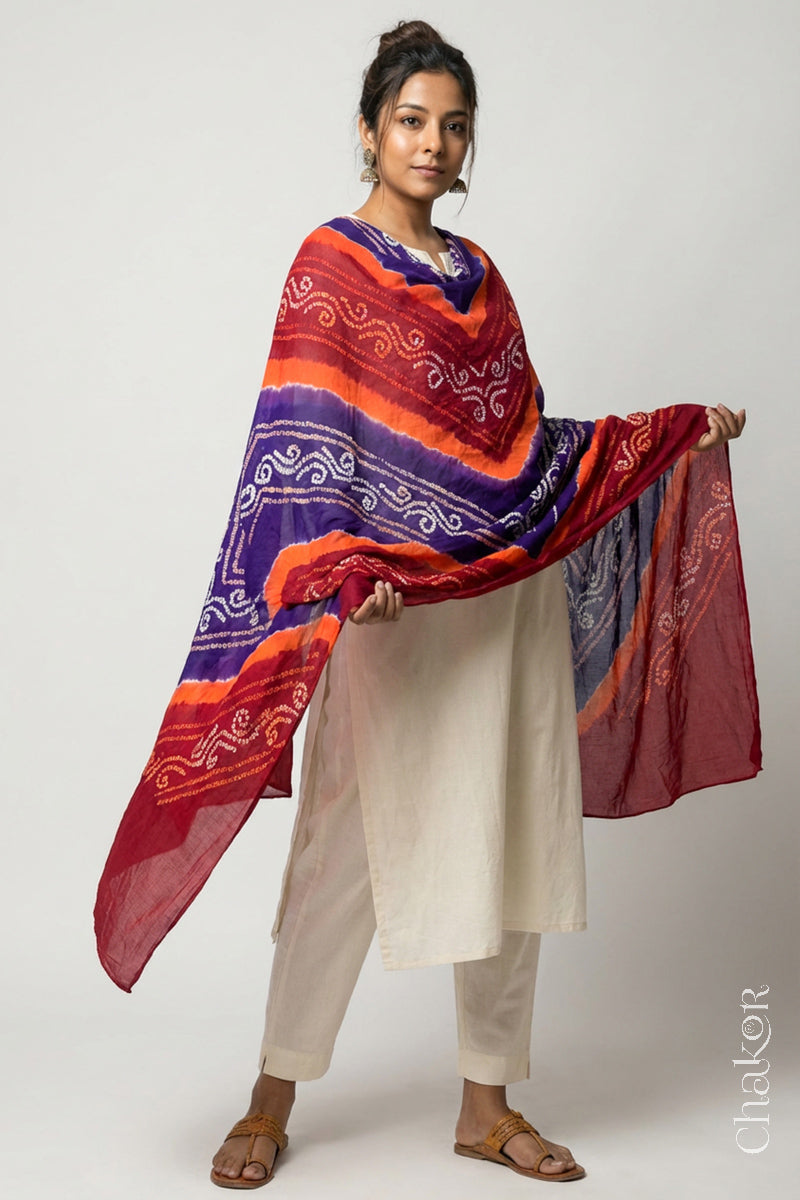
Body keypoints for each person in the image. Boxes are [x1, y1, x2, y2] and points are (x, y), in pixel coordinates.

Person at [197, 19, 749, 1189]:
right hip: (392, 608)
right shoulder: (328, 268)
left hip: (503, 596)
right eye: (410, 120)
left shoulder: (479, 278)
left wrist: (660, 438)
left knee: (507, 830)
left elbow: (513, 456)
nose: (432, 142)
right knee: (341, 845)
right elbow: (303, 450)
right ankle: (271, 1089)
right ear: (366, 131)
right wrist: (350, 570)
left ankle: (486, 1103)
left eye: (452, 125)